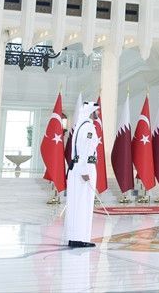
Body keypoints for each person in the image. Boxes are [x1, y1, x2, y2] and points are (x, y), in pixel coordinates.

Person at [63, 101, 99, 248]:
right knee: (83, 204)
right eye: (96, 111)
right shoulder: (89, 126)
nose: (97, 113)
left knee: (75, 204)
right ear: (91, 112)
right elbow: (85, 149)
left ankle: (73, 237)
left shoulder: (80, 125)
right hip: (85, 167)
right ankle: (80, 238)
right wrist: (85, 171)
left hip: (76, 167)